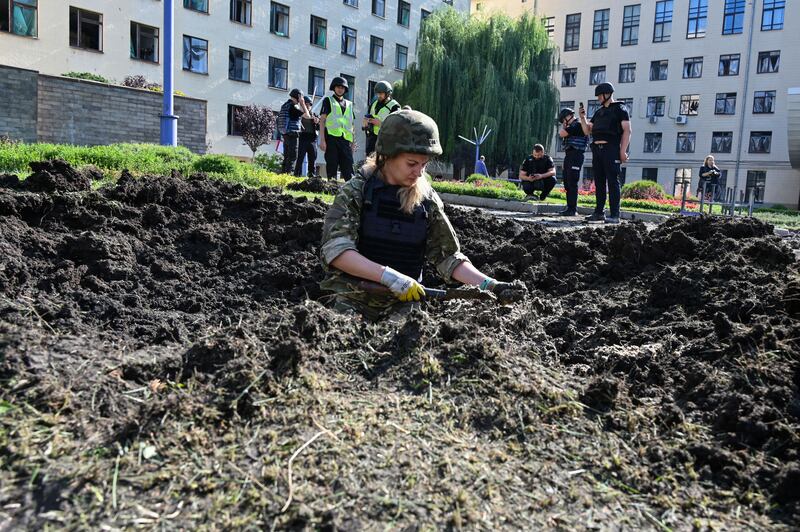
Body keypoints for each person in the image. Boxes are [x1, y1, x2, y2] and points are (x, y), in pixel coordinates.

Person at [319, 110, 522, 321]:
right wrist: (389, 276)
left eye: (424, 165)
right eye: (411, 164)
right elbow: (337, 250)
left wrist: (489, 285)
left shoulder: (425, 198)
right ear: (387, 155)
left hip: (403, 304)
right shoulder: (357, 191)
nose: (418, 173)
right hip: (351, 297)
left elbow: (448, 256)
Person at [579, 82, 631, 224]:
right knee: (600, 182)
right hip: (597, 150)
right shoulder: (599, 112)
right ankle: (599, 212)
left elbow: (627, 130)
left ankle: (615, 214)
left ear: (607, 94)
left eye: (599, 96)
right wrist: (583, 118)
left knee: (613, 181)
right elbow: (587, 130)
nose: (598, 99)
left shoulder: (620, 109)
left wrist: (622, 151)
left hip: (611, 149)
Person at [320, 77, 356, 181]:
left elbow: (352, 124)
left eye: (342, 87)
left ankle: (352, 191)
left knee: (348, 166)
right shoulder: (328, 101)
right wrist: (322, 140)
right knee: (332, 165)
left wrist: (353, 142)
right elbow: (322, 121)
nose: (340, 89)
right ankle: (332, 190)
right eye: (338, 87)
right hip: (331, 138)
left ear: (345, 89)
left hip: (345, 140)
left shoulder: (349, 104)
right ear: (334, 88)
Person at [557, 107, 590, 216]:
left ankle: (572, 209)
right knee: (567, 181)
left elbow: (562, 133)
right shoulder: (572, 126)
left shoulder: (577, 125)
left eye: (563, 120)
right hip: (569, 155)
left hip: (576, 155)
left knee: (572, 181)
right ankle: (569, 207)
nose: (563, 122)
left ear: (567, 117)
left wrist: (565, 127)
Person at [364, 80, 401, 157]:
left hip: (385, 142)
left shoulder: (394, 106)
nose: (378, 96)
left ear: (388, 94)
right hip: (372, 140)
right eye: (377, 94)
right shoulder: (373, 104)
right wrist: (366, 123)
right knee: (369, 164)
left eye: (381, 94)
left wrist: (381, 124)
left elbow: (397, 127)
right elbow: (368, 116)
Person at [278, 88, 310, 175]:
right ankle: (288, 175)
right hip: (293, 134)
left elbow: (293, 118)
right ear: (299, 97)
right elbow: (307, 115)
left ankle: (283, 174)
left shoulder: (285, 105)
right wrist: (303, 104)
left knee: (286, 156)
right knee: (292, 156)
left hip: (285, 133)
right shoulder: (293, 107)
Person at [294, 95, 319, 177]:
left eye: (309, 104)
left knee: (312, 158)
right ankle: (297, 174)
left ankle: (312, 174)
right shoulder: (300, 114)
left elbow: (319, 127)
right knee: (300, 157)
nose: (308, 106)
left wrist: (317, 122)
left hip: (312, 138)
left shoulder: (314, 115)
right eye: (306, 104)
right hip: (303, 137)